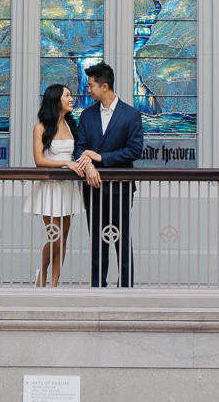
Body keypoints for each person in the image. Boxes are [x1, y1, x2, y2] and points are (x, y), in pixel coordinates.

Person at [73, 62, 147, 288]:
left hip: (121, 187)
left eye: (91, 85)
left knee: (122, 238)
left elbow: (134, 150)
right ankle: (97, 286)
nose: (88, 89)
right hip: (92, 187)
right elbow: (80, 148)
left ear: (105, 86)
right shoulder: (86, 115)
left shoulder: (131, 115)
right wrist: (88, 167)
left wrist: (102, 159)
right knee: (96, 239)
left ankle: (126, 287)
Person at [24, 83, 88, 286]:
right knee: (55, 238)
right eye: (67, 96)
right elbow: (39, 161)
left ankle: (54, 284)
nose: (72, 99)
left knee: (64, 239)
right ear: (55, 100)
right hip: (50, 187)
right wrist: (65, 163)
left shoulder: (72, 125)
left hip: (68, 187)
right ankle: (41, 274)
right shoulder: (40, 128)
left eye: (71, 95)